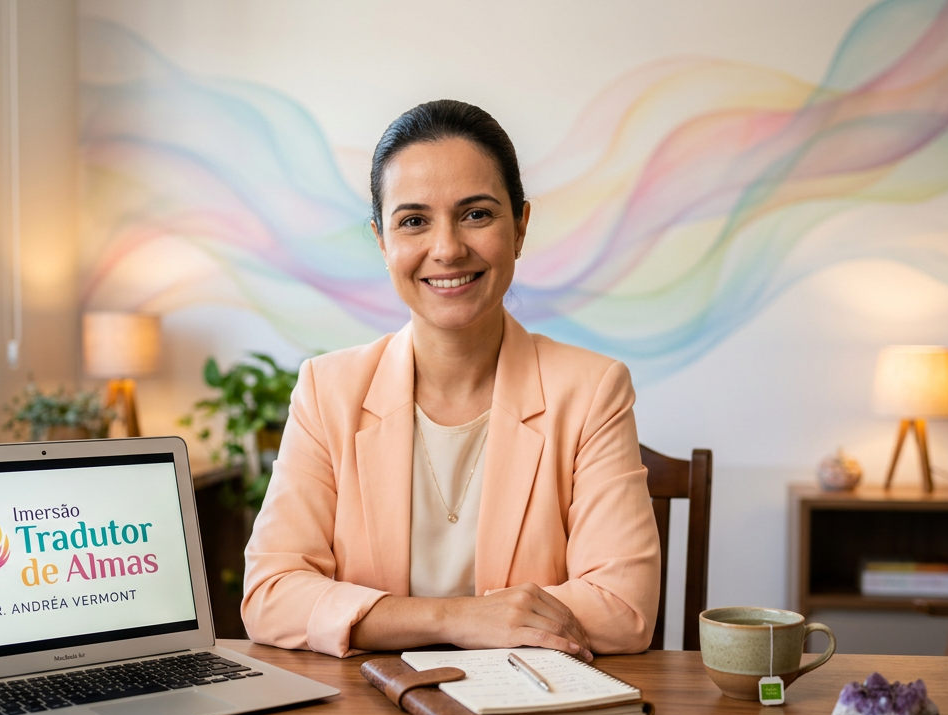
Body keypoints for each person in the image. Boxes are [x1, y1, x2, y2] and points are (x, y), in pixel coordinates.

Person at [241, 99, 660, 659]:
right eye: (414, 221)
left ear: (520, 227)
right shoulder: (327, 390)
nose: (447, 249)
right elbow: (270, 596)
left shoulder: (591, 390)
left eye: (477, 214)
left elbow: (623, 609)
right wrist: (457, 619)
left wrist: (384, 620)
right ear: (382, 242)